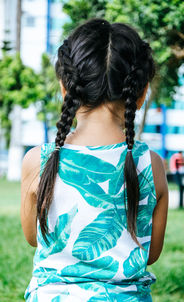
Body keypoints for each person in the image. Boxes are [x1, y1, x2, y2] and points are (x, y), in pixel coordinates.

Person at [21, 18, 169, 302]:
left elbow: (34, 237)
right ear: (141, 94)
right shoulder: (151, 165)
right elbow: (150, 254)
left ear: (66, 89)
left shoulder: (37, 160)